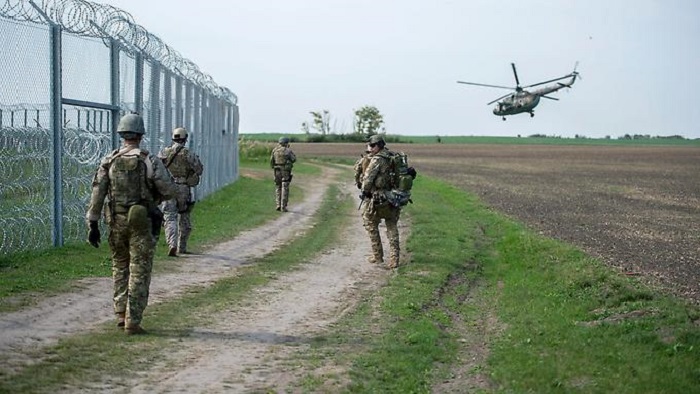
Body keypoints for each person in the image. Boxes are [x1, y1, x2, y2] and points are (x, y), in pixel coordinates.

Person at [86, 113, 177, 335]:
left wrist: (93, 224)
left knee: (120, 265)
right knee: (140, 270)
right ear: (140, 134)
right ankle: (133, 320)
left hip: (115, 221)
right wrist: (153, 198)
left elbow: (97, 194)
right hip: (141, 222)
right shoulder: (149, 160)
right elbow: (168, 190)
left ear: (122, 134)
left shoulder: (109, 160)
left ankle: (120, 312)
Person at [157, 127, 204, 257]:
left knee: (169, 216)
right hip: (183, 188)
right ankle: (182, 247)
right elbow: (199, 169)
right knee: (184, 216)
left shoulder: (164, 153)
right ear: (185, 139)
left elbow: (157, 170)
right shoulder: (188, 153)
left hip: (168, 187)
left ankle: (172, 244)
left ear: (173, 138)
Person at [360, 134, 402, 269]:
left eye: (372, 145)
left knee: (370, 222)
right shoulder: (393, 156)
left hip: (377, 197)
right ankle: (395, 258)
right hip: (394, 196)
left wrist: (364, 190)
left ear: (378, 146)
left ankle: (377, 256)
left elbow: (368, 179)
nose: (370, 148)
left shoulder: (377, 159)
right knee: (392, 225)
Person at [270, 136, 297, 212]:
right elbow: (293, 159)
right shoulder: (288, 151)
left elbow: (271, 161)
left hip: (277, 170)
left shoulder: (275, 150)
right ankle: (283, 206)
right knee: (285, 187)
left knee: (278, 187)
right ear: (286, 143)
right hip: (285, 171)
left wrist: (274, 167)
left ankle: (278, 204)